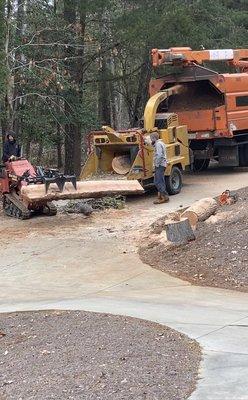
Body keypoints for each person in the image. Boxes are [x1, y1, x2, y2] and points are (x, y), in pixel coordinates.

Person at [150, 132, 169, 204]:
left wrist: (156, 164)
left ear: (154, 138)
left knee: (158, 181)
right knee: (160, 180)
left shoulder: (158, 144)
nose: (150, 139)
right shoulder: (161, 143)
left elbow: (159, 155)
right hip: (162, 164)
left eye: (151, 138)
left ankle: (163, 197)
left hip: (160, 165)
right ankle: (162, 196)